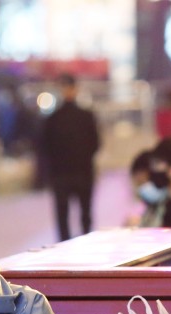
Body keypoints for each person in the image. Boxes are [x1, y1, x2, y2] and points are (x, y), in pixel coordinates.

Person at [40, 73, 101, 241]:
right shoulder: (86, 117)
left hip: (61, 174)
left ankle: (64, 246)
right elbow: (95, 144)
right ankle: (87, 242)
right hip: (83, 172)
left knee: (63, 216)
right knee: (85, 214)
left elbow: (45, 147)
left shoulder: (52, 119)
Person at [127, 150, 165, 228]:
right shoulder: (149, 208)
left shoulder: (168, 205)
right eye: (139, 184)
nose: (142, 190)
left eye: (143, 182)